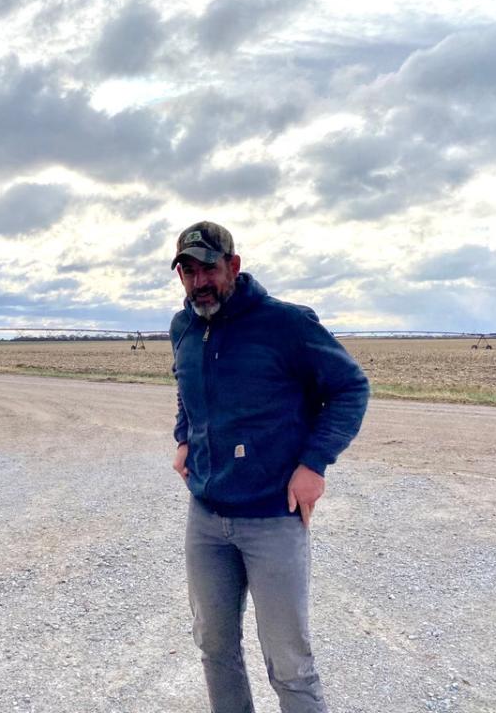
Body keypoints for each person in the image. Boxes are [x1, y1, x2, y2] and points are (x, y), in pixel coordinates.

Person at [169, 221, 369, 713]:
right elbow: (187, 390)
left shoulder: (286, 324)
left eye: (208, 269)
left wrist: (313, 464)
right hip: (207, 518)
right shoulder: (184, 327)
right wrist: (183, 438)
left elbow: (350, 388)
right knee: (214, 647)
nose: (199, 283)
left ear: (233, 266)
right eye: (188, 272)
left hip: (273, 520)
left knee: (289, 661)